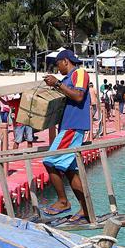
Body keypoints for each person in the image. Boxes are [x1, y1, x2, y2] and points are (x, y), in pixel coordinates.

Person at [41, 49, 92, 223]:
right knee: (71, 172)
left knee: (49, 161)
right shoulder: (67, 79)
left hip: (73, 126)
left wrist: (57, 84)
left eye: (58, 65)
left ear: (65, 61)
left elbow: (78, 96)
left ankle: (63, 201)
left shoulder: (79, 73)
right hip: (69, 126)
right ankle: (86, 210)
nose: (58, 69)